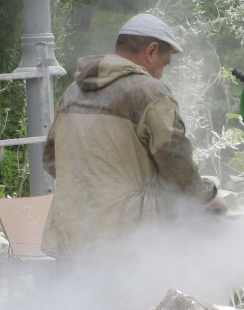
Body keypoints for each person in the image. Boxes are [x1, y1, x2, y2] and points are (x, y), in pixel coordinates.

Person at [41, 13, 227, 257]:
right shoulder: (149, 93)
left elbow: (52, 161)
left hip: (72, 240)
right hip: (125, 244)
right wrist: (208, 200)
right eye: (164, 63)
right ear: (151, 51)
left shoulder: (72, 94)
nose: (161, 73)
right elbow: (177, 168)